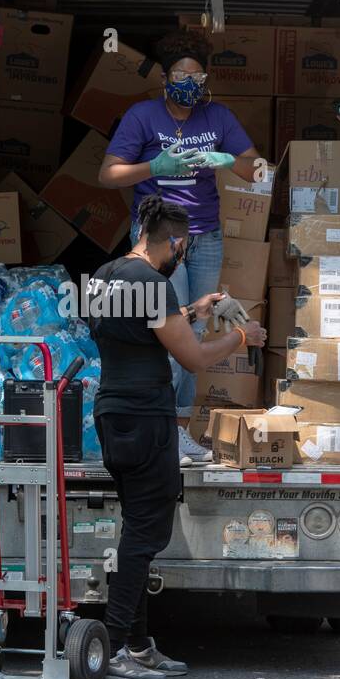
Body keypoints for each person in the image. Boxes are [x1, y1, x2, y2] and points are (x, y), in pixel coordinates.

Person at [85, 195, 266, 679]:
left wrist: (191, 308)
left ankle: (138, 645)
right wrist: (242, 336)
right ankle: (117, 643)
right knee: (145, 536)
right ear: (177, 241)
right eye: (183, 247)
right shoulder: (153, 282)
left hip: (113, 414)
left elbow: (137, 329)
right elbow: (195, 359)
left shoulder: (103, 275)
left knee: (135, 534)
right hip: (147, 419)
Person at [98, 29, 264, 465]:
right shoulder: (142, 116)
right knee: (172, 327)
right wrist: (154, 165)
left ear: (206, 81)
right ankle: (161, 424)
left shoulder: (218, 118)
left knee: (196, 327)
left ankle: (178, 429)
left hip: (204, 234)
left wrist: (229, 160)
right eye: (180, 75)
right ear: (165, 78)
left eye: (197, 76)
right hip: (158, 236)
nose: (189, 84)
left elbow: (260, 171)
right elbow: (108, 175)